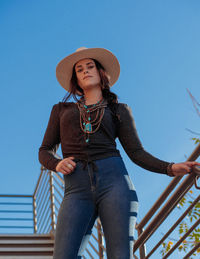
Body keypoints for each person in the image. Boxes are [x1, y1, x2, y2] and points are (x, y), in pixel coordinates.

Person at [38, 47, 200, 259]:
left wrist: (170, 168)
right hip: (76, 188)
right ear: (76, 80)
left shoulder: (119, 110)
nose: (85, 71)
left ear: (101, 73)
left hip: (114, 182)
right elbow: (44, 150)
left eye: (90, 66)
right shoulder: (61, 110)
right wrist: (56, 163)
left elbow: (136, 152)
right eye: (79, 69)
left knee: (120, 255)